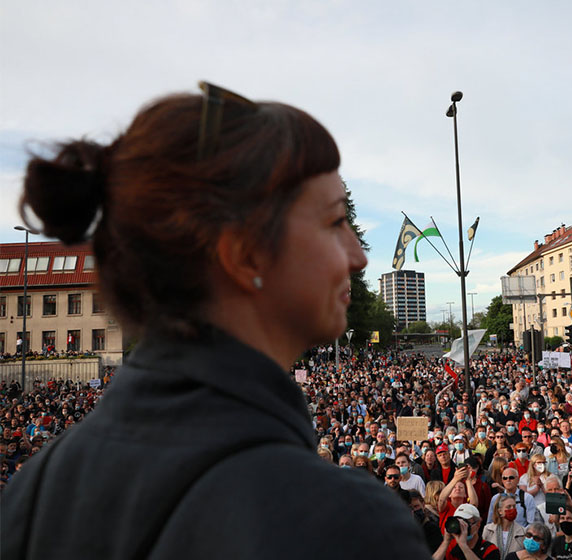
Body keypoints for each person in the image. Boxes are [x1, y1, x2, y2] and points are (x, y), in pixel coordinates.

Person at [1, 83, 429, 558]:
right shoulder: (344, 524)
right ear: (244, 255)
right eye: (333, 222)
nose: (358, 256)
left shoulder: (33, 491)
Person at [432, 503, 499, 560]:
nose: (462, 527)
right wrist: (446, 541)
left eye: (465, 523)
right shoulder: (451, 547)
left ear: (477, 525)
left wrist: (463, 546)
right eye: (459, 523)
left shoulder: (490, 550)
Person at [482, 495, 526, 559]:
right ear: (500, 511)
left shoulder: (522, 532)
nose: (512, 509)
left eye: (514, 506)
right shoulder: (488, 529)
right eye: (508, 507)